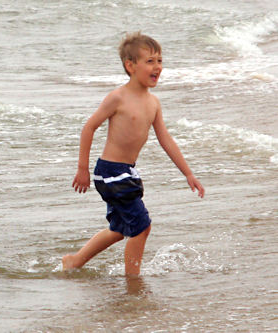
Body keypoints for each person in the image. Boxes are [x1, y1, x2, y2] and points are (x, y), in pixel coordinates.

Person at [62, 32, 205, 276]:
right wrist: (82, 168)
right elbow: (89, 127)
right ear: (131, 66)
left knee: (120, 228)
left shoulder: (153, 103)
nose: (157, 67)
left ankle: (75, 260)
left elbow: (165, 139)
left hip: (126, 172)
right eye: (150, 61)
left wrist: (188, 173)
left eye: (159, 61)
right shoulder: (118, 97)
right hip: (110, 172)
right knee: (142, 227)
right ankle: (133, 282)